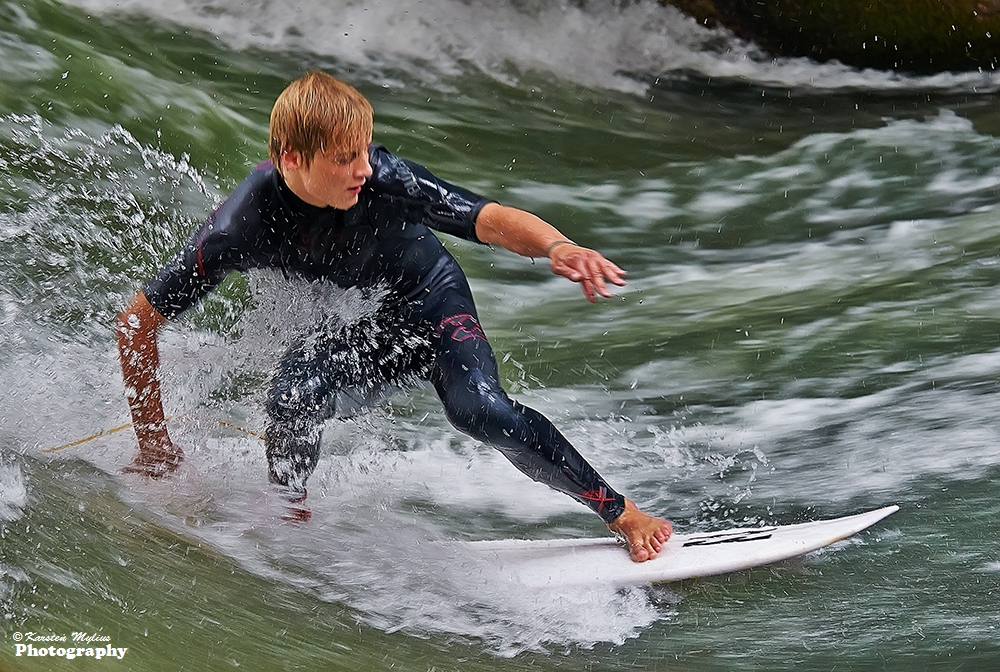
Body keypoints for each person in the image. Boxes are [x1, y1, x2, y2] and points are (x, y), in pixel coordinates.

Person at [115, 71, 672, 562]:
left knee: (480, 410)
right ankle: (289, 520)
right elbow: (137, 322)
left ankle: (621, 513)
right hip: (371, 328)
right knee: (291, 397)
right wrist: (154, 443)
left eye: (365, 150)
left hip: (433, 304)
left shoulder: (384, 180)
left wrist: (557, 247)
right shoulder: (241, 225)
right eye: (344, 158)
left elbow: (489, 219)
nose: (363, 168)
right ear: (292, 159)